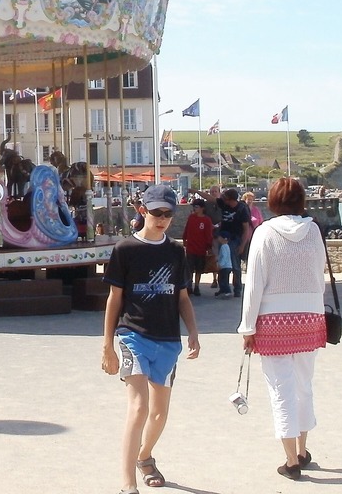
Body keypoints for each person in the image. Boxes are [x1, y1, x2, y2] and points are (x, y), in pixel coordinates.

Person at [101, 184, 201, 493]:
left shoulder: (176, 251)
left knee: (159, 413)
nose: (162, 219)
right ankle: (128, 484)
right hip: (134, 336)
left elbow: (182, 296)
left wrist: (194, 331)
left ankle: (144, 457)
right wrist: (108, 345)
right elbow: (114, 299)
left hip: (168, 340)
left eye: (168, 214)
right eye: (156, 212)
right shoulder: (125, 250)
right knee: (139, 407)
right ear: (143, 210)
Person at [237, 177, 328, 482]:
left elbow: (254, 284)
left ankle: (291, 460)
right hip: (309, 316)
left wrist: (247, 327)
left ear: (273, 201)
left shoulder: (264, 233)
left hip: (274, 321)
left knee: (281, 389)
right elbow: (319, 273)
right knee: (304, 384)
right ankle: (302, 449)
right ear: (302, 200)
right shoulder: (314, 231)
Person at [217, 189, 253, 297]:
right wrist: (195, 191)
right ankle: (224, 288)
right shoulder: (224, 204)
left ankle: (237, 288)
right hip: (224, 237)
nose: (224, 200)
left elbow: (246, 228)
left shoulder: (242, 209)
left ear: (230, 199)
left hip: (235, 238)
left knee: (235, 265)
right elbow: (211, 199)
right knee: (223, 263)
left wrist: (242, 245)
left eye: (226, 198)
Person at [182, 199, 214, 295]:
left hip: (201, 248)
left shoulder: (206, 220)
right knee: (189, 268)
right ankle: (189, 286)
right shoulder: (191, 217)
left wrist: (209, 246)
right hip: (191, 247)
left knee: (199, 269)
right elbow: (187, 229)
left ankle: (197, 286)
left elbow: (208, 234)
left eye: (196, 207)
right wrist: (184, 239)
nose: (194, 209)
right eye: (194, 207)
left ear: (202, 208)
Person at [213, 232, 234, 298]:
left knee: (223, 280)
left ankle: (228, 291)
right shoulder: (226, 246)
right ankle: (222, 290)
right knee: (223, 279)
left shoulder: (223, 246)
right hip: (228, 266)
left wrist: (220, 265)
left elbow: (224, 257)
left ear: (224, 239)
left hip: (225, 267)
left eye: (220, 237)